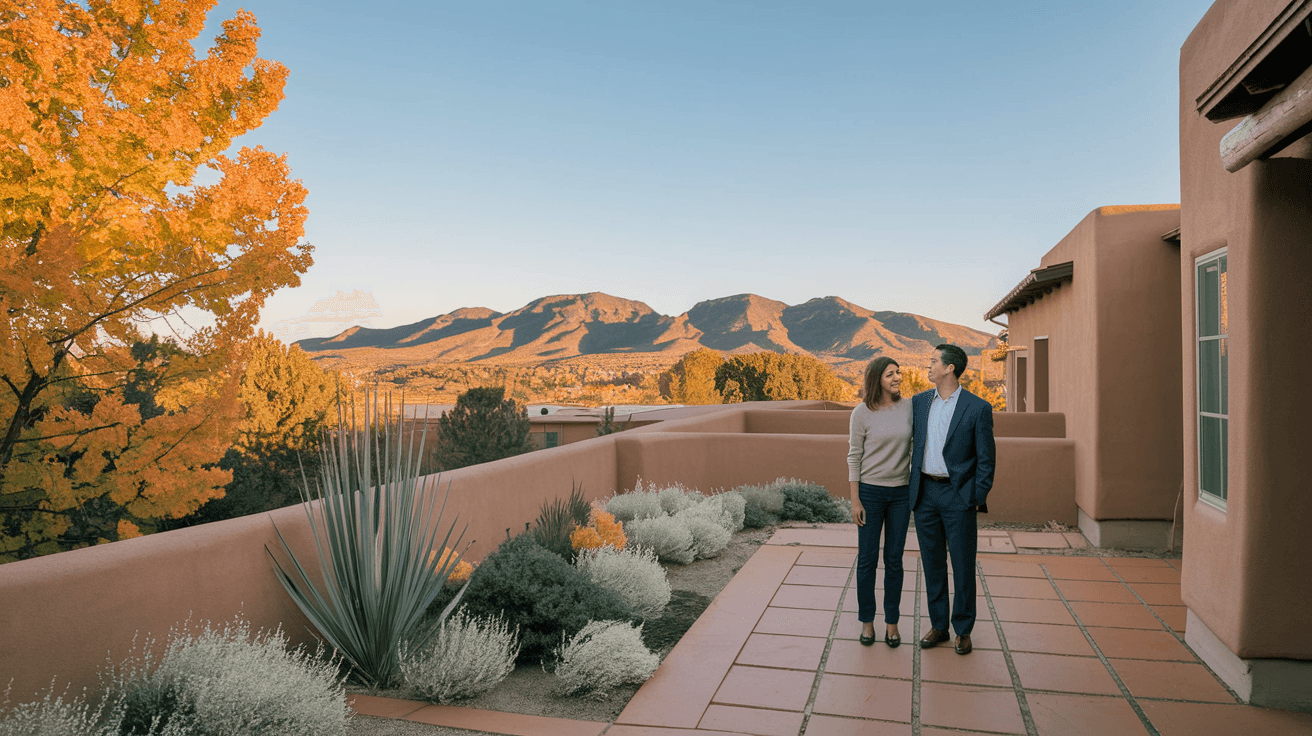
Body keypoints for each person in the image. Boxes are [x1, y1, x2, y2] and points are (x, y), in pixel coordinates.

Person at [910, 344, 995, 655]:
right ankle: (939, 626)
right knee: (932, 564)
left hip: (958, 495)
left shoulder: (977, 408)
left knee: (962, 565)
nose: (928, 366)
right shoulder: (918, 403)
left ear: (949, 368)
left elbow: (986, 459)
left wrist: (974, 496)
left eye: (933, 361)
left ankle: (963, 629)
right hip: (924, 494)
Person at [847, 356, 913, 647]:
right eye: (890, 374)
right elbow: (854, 456)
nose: (897, 378)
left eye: (898, 372)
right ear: (877, 380)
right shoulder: (861, 413)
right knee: (867, 560)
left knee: (895, 561)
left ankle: (892, 623)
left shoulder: (910, 407)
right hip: (870, 495)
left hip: (901, 494)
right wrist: (855, 500)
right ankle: (867, 622)